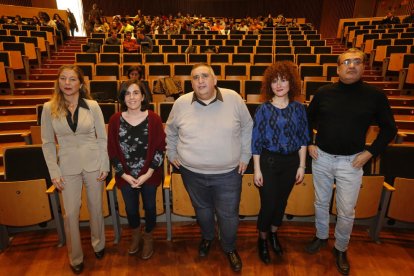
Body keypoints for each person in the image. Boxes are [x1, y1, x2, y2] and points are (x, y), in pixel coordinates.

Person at [305, 48, 397, 275]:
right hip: (322, 158)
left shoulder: (375, 95)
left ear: (363, 67)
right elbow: (306, 120)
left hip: (352, 162)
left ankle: (341, 247)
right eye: (347, 62)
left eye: (357, 61)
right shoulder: (324, 93)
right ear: (338, 68)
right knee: (320, 202)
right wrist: (310, 143)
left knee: (346, 210)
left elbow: (390, 129)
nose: (352, 65)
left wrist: (370, 153)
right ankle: (321, 236)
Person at [165, 63, 253, 272]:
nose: (200, 81)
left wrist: (245, 154)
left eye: (205, 76)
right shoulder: (181, 103)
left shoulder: (233, 98)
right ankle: (207, 237)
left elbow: (248, 126)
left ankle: (229, 247)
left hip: (228, 173)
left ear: (215, 80)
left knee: (228, 214)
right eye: (195, 77)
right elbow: (170, 130)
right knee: (202, 211)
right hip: (192, 173)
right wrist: (172, 153)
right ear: (191, 82)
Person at [41, 65, 109, 274]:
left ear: (80, 83)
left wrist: (105, 164)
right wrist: (54, 171)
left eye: (72, 79)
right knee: (70, 214)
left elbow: (102, 137)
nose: (67, 83)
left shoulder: (92, 105)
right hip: (66, 167)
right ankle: (76, 257)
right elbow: (47, 143)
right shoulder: (48, 108)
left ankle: (99, 244)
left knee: (96, 208)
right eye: (63, 79)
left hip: (93, 163)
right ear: (58, 82)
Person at [251, 61, 309, 264]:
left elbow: (303, 138)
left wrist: (302, 165)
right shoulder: (263, 109)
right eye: (274, 80)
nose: (279, 84)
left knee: (281, 202)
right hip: (268, 161)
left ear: (291, 83)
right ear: (269, 84)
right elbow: (256, 141)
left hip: (291, 162)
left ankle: (274, 234)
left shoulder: (299, 109)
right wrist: (257, 170)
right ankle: (262, 239)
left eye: (283, 80)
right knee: (268, 203)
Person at [107, 79, 165, 260]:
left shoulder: (154, 118)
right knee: (130, 209)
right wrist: (123, 174)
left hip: (149, 175)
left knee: (149, 207)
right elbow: (112, 150)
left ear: (143, 96)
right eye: (127, 93)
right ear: (122, 97)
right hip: (125, 176)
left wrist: (147, 174)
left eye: (135, 93)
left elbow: (160, 148)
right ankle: (135, 235)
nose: (131, 97)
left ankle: (148, 236)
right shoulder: (115, 120)